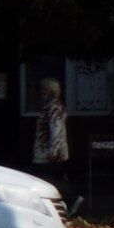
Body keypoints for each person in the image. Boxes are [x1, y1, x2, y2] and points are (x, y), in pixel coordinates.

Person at [32, 78, 71, 208]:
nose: (40, 92)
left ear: (49, 91)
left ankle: (66, 203)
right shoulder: (50, 107)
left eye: (43, 89)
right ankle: (65, 204)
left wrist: (54, 151)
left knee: (51, 182)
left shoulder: (53, 107)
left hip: (48, 155)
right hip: (47, 153)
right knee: (55, 181)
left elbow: (56, 129)